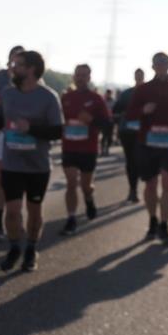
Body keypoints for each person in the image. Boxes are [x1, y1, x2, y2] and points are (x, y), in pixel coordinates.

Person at [0, 50, 63, 272]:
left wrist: (31, 128)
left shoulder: (48, 97)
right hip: (12, 163)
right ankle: (14, 247)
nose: (13, 68)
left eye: (18, 64)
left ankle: (31, 248)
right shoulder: (8, 93)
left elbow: (57, 131)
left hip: (37, 166)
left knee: (34, 210)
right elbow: (2, 115)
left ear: (31, 69)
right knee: (12, 211)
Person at [126, 52, 168, 246]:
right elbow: (129, 115)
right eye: (158, 64)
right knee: (151, 185)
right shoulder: (143, 90)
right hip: (148, 144)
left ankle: (164, 224)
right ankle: (153, 220)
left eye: (164, 63)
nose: (161, 66)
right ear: (153, 66)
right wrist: (142, 111)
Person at [59, 64, 112, 235]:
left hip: (88, 148)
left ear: (89, 77)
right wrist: (62, 124)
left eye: (84, 75)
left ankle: (89, 199)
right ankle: (71, 218)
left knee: (85, 185)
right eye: (77, 75)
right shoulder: (65, 98)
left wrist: (91, 120)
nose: (80, 78)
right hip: (69, 147)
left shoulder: (96, 99)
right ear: (73, 77)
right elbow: (55, 120)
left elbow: (107, 124)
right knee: (71, 183)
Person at [0, 44, 25, 240]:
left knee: (19, 179)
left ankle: (17, 216)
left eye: (21, 60)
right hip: (0, 133)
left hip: (22, 135)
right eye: (14, 58)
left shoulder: (32, 80)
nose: (16, 63)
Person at [112, 67, 146, 202]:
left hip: (144, 132)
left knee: (140, 160)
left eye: (140, 76)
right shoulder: (126, 94)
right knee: (131, 161)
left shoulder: (148, 92)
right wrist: (123, 115)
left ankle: (139, 185)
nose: (138, 78)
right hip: (127, 132)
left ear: (143, 77)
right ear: (134, 77)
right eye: (137, 75)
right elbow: (115, 111)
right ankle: (133, 190)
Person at [101, 88, 116, 155]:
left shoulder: (113, 101)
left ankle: (107, 149)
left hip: (111, 121)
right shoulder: (102, 101)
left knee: (109, 136)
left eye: (109, 94)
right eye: (107, 94)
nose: (108, 95)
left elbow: (115, 110)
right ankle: (102, 150)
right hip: (104, 121)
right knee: (104, 136)